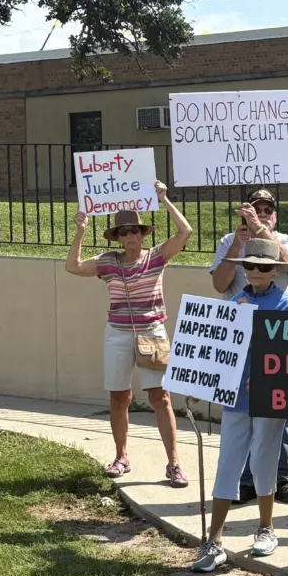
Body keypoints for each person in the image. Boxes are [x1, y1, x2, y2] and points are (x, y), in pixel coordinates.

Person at [65, 181, 192, 488]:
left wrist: (165, 200)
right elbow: (73, 266)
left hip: (153, 331)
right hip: (118, 333)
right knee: (119, 396)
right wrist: (80, 229)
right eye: (123, 232)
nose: (130, 236)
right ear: (117, 237)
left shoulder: (156, 256)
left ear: (142, 232)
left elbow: (185, 233)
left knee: (160, 397)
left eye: (134, 230)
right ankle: (121, 457)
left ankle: (174, 463)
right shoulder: (108, 261)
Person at [191, 239, 288, 573]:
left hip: (269, 398)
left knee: (265, 459)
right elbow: (215, 349)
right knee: (229, 462)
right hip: (234, 397)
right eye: (249, 266)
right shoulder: (234, 301)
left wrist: (269, 374)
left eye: (263, 266)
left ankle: (266, 528)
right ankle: (214, 539)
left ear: (275, 270)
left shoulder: (287, 305)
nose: (255, 271)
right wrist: (198, 382)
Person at [210, 188, 288, 506]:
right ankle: (247, 481)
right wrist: (239, 244)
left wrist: (260, 231)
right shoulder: (227, 241)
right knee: (243, 415)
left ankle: (280, 478)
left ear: (275, 215)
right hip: (239, 339)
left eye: (268, 210)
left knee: (277, 413)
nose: (261, 213)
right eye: (255, 208)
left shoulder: (286, 240)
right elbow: (220, 283)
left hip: (276, 331)